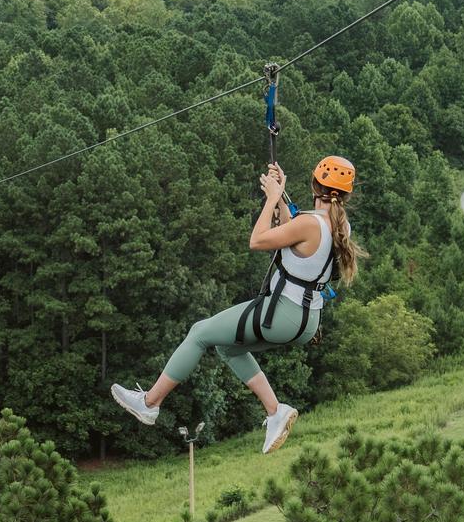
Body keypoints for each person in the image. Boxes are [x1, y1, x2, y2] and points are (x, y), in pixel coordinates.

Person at [111, 156, 361, 453]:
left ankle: (150, 403)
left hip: (283, 313)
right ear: (346, 194)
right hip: (307, 321)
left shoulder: (310, 223)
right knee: (228, 346)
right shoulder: (338, 225)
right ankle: (275, 411)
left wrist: (271, 200)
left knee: (199, 332)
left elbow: (257, 240)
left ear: (314, 185)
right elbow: (293, 234)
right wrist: (281, 195)